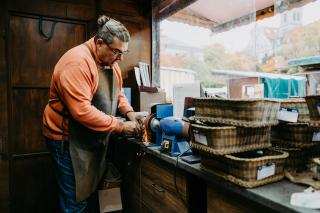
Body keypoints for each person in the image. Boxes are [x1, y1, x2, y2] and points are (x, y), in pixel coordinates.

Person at [43, 15, 143, 212]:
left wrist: (131, 114)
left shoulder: (109, 62)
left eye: (124, 52)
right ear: (99, 43)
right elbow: (82, 112)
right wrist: (121, 126)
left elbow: (118, 94)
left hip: (89, 138)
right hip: (67, 140)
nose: (120, 58)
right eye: (116, 51)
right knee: (75, 201)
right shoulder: (77, 63)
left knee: (86, 196)